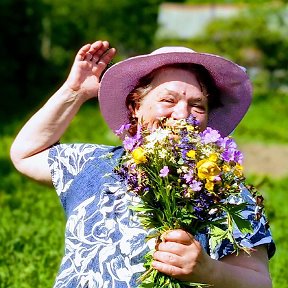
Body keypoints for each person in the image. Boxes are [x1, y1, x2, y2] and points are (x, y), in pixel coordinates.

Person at [10, 40, 275, 288]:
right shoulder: (93, 163)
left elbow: (259, 281)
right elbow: (25, 154)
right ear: (135, 106)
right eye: (168, 100)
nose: (183, 114)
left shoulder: (224, 189)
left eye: (198, 105)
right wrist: (74, 92)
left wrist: (209, 271)